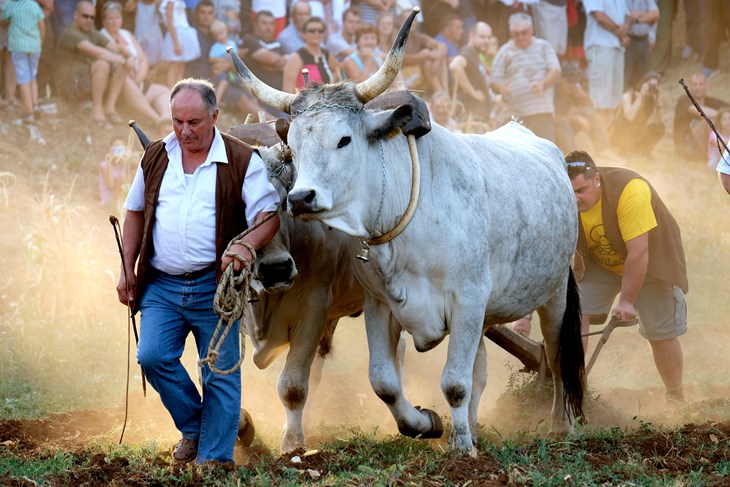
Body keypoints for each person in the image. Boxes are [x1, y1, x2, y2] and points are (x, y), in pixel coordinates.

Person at [116, 78, 280, 465]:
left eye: (194, 122)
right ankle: (197, 426)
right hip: (161, 284)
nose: (185, 131)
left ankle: (215, 459)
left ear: (214, 117)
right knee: (153, 356)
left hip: (215, 284)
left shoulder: (241, 159)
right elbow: (135, 211)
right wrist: (127, 269)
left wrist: (245, 244)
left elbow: (267, 215)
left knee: (220, 371)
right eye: (177, 122)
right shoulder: (156, 156)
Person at [566, 150, 688, 405]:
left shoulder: (630, 191)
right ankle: (573, 393)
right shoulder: (561, 198)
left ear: (597, 179)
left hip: (650, 264)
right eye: (570, 191)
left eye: (582, 190)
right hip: (600, 264)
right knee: (575, 316)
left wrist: (627, 300)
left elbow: (639, 252)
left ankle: (675, 397)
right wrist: (524, 316)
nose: (575, 198)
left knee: (660, 333)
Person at [54, 0, 133, 129]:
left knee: (119, 65)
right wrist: (125, 61)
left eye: (92, 17)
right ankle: (96, 111)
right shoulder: (70, 33)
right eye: (85, 16)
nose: (89, 20)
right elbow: (97, 52)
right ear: (75, 15)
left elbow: (114, 47)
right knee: (102, 64)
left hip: (85, 81)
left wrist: (129, 57)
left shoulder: (91, 31)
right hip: (69, 85)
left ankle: (109, 108)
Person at [490, 12, 561, 141]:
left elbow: (555, 71)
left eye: (524, 32)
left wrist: (543, 84)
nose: (521, 37)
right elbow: (494, 80)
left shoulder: (543, 46)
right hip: (514, 114)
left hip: (541, 110)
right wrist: (501, 88)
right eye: (516, 34)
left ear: (532, 30)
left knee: (545, 152)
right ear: (511, 33)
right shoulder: (505, 51)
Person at [100, 1, 172, 125]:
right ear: (104, 21)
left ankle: (166, 117)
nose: (114, 21)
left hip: (138, 83)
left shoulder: (126, 34)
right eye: (110, 18)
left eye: (117, 17)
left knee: (164, 91)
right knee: (126, 81)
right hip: (120, 87)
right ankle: (157, 120)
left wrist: (139, 78)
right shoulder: (102, 36)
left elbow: (143, 59)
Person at [583, 0, 630, 129]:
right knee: (600, 99)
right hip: (599, 45)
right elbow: (599, 16)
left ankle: (610, 136)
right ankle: (600, 140)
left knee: (615, 97)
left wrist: (625, 29)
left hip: (617, 46)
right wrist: (619, 32)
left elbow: (627, 15)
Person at [554, 62, 612, 157]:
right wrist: (576, 118)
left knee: (587, 111)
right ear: (560, 80)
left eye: (575, 82)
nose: (572, 85)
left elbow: (591, 109)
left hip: (567, 128)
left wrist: (583, 95)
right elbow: (552, 118)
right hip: (554, 132)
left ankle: (603, 149)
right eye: (569, 82)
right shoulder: (553, 92)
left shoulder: (574, 90)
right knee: (563, 122)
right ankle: (573, 156)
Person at [2, 0, 45, 123]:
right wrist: (40, 42)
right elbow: (42, 26)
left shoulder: (11, 6)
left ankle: (29, 113)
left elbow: (4, 20)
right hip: (34, 46)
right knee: (32, 77)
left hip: (18, 46)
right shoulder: (34, 5)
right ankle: (35, 105)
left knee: (23, 79)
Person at [673, 72, 729, 161]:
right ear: (690, 87)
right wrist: (722, 115)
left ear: (706, 86)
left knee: (726, 120)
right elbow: (698, 111)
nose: (698, 87)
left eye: (701, 84)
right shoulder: (684, 100)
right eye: (695, 84)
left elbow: (727, 108)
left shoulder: (711, 101)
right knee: (709, 121)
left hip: (703, 146)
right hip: (686, 145)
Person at [609, 70, 664, 158]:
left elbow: (658, 122)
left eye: (654, 86)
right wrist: (641, 97)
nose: (651, 88)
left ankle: (644, 151)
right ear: (643, 83)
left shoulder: (650, 99)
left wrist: (658, 99)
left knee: (659, 127)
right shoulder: (628, 95)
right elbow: (629, 117)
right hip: (622, 134)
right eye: (650, 85)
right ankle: (627, 150)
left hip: (636, 133)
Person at [448, 21, 493, 124]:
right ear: (471, 36)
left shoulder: (476, 55)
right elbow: (455, 65)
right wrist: (473, 92)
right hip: (470, 118)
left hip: (478, 118)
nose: (486, 41)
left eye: (489, 37)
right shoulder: (469, 52)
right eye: (482, 37)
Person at [282, 17, 339, 93]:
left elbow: (337, 70)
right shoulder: (296, 57)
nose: (316, 33)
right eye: (312, 31)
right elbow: (287, 90)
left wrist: (329, 86)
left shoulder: (326, 53)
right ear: (303, 34)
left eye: (320, 31)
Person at [241, 9, 288, 90]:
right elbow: (275, 60)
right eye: (264, 23)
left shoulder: (277, 43)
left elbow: (287, 65)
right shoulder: (249, 40)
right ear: (255, 24)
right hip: (258, 93)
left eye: (271, 24)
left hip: (278, 93)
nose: (268, 27)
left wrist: (268, 65)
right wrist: (277, 64)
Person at [160, 0, 201, 87]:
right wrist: (176, 43)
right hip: (176, 34)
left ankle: (178, 88)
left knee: (182, 65)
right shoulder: (170, 2)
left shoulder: (181, 2)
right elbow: (170, 22)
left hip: (185, 33)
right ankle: (171, 90)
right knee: (174, 66)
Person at [624, 0, 659, 91]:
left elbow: (655, 14)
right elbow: (624, 17)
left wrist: (636, 19)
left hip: (644, 40)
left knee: (644, 77)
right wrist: (646, 15)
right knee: (625, 76)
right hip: (629, 40)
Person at [208, 19, 238, 104]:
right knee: (223, 82)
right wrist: (222, 59)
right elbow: (211, 59)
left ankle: (254, 98)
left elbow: (236, 55)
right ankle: (216, 101)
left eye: (221, 33)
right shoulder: (216, 47)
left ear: (226, 31)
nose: (220, 36)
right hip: (222, 70)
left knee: (243, 82)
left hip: (232, 69)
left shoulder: (232, 43)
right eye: (217, 35)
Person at [99, 136, 132, 207]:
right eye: (116, 146)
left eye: (121, 147)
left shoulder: (125, 165)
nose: (118, 150)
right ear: (111, 149)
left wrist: (127, 160)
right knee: (121, 178)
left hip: (122, 199)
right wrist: (110, 162)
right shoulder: (105, 165)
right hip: (109, 201)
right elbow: (110, 185)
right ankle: (118, 208)